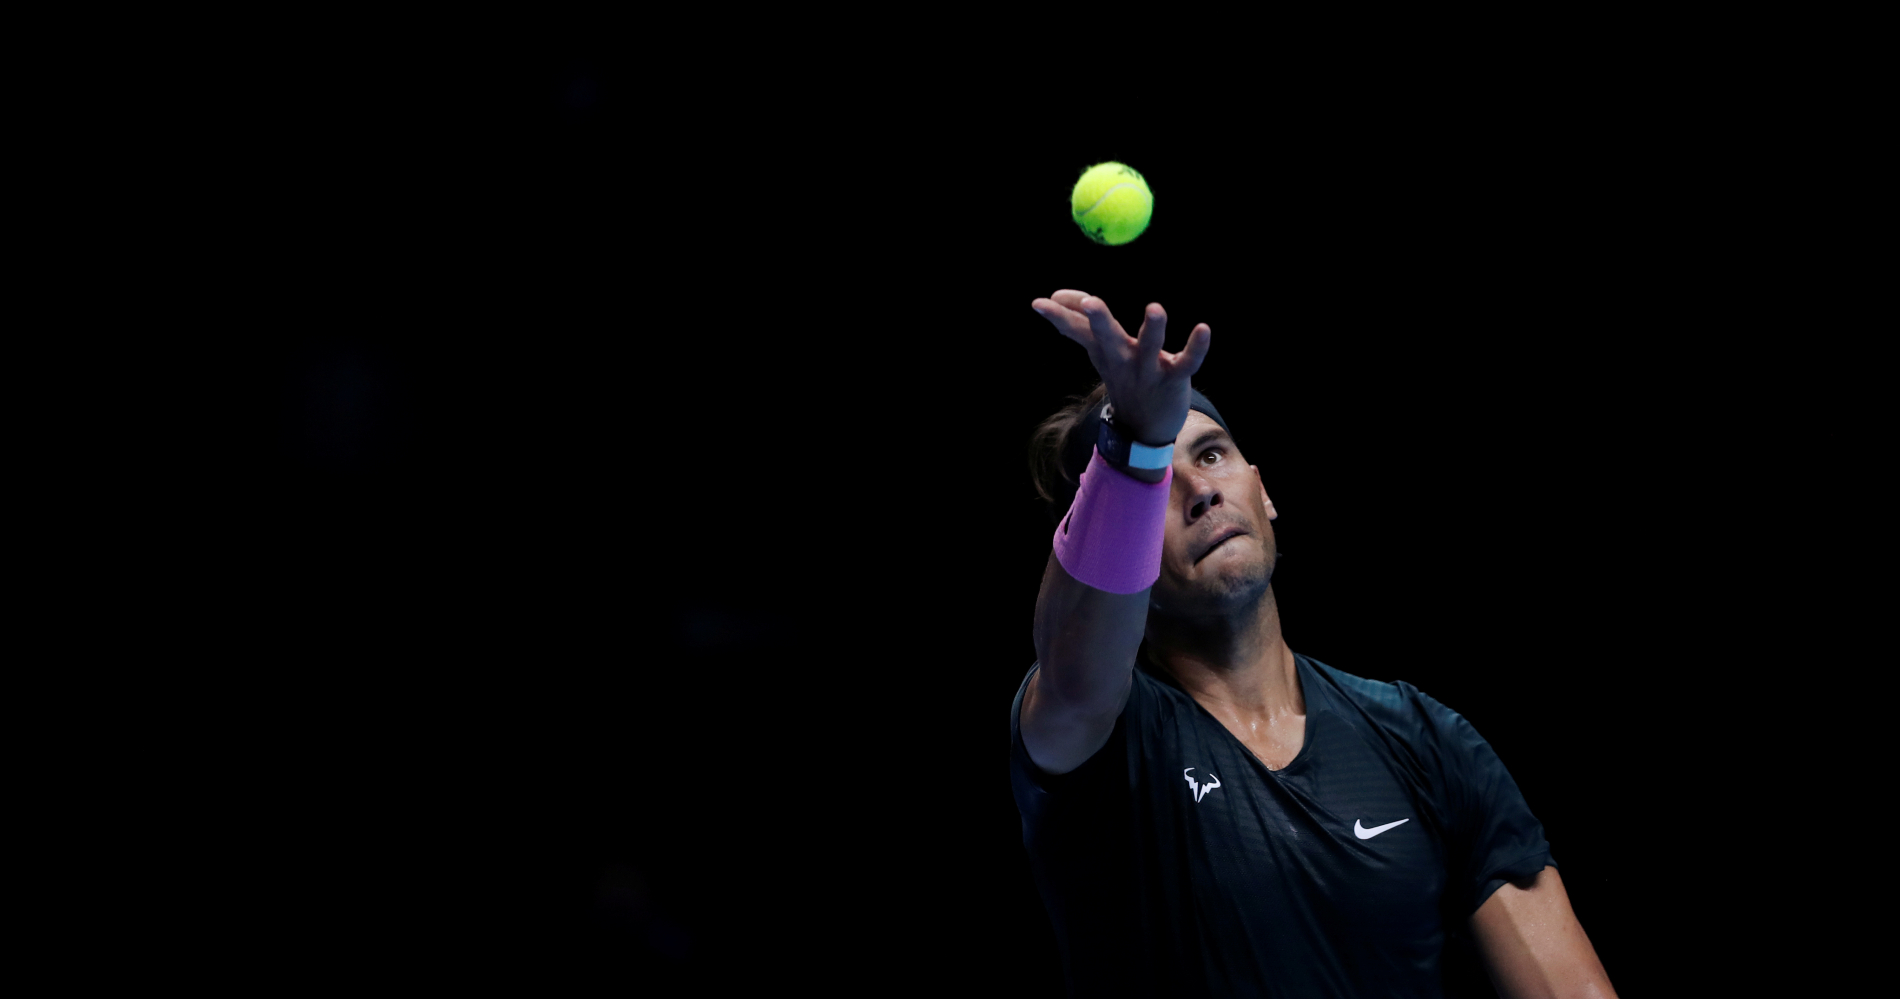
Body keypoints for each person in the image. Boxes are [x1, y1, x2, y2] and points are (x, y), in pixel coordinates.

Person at [1014, 290, 1617, 998]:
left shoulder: (1425, 741)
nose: (1201, 492)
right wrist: (1130, 444)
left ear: (1263, 492)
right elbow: (1077, 669)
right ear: (1118, 542)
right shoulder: (1106, 742)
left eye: (1211, 454)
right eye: (1158, 482)